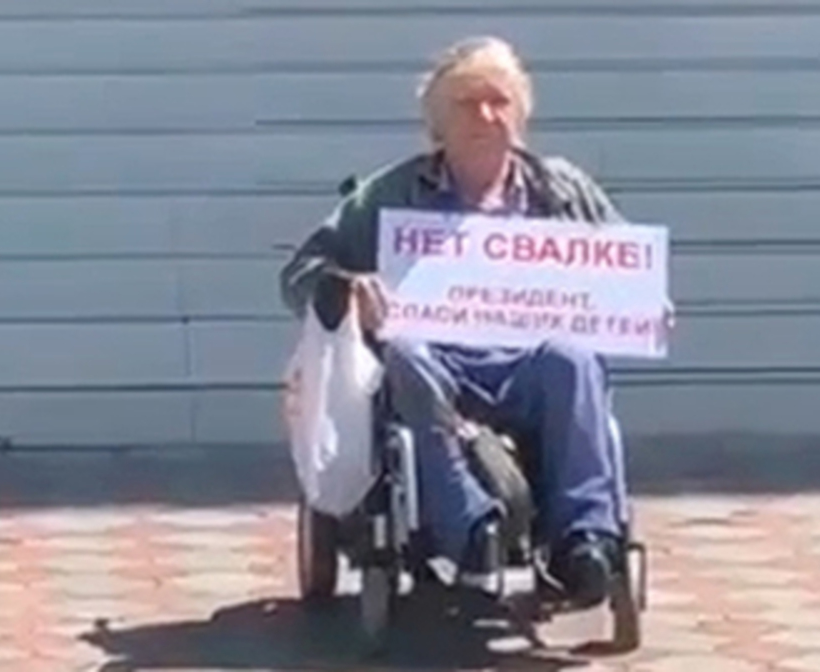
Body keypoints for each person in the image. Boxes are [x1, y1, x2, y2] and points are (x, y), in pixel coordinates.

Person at [278, 36, 667, 609]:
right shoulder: (390, 194)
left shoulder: (561, 189)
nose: (486, 115)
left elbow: (622, 270)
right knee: (405, 351)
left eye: (499, 100)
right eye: (466, 104)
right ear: (437, 125)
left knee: (575, 359)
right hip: (436, 363)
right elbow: (300, 274)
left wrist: (644, 305)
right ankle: (470, 528)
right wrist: (347, 290)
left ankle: (584, 542)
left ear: (520, 113)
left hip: (530, 362)